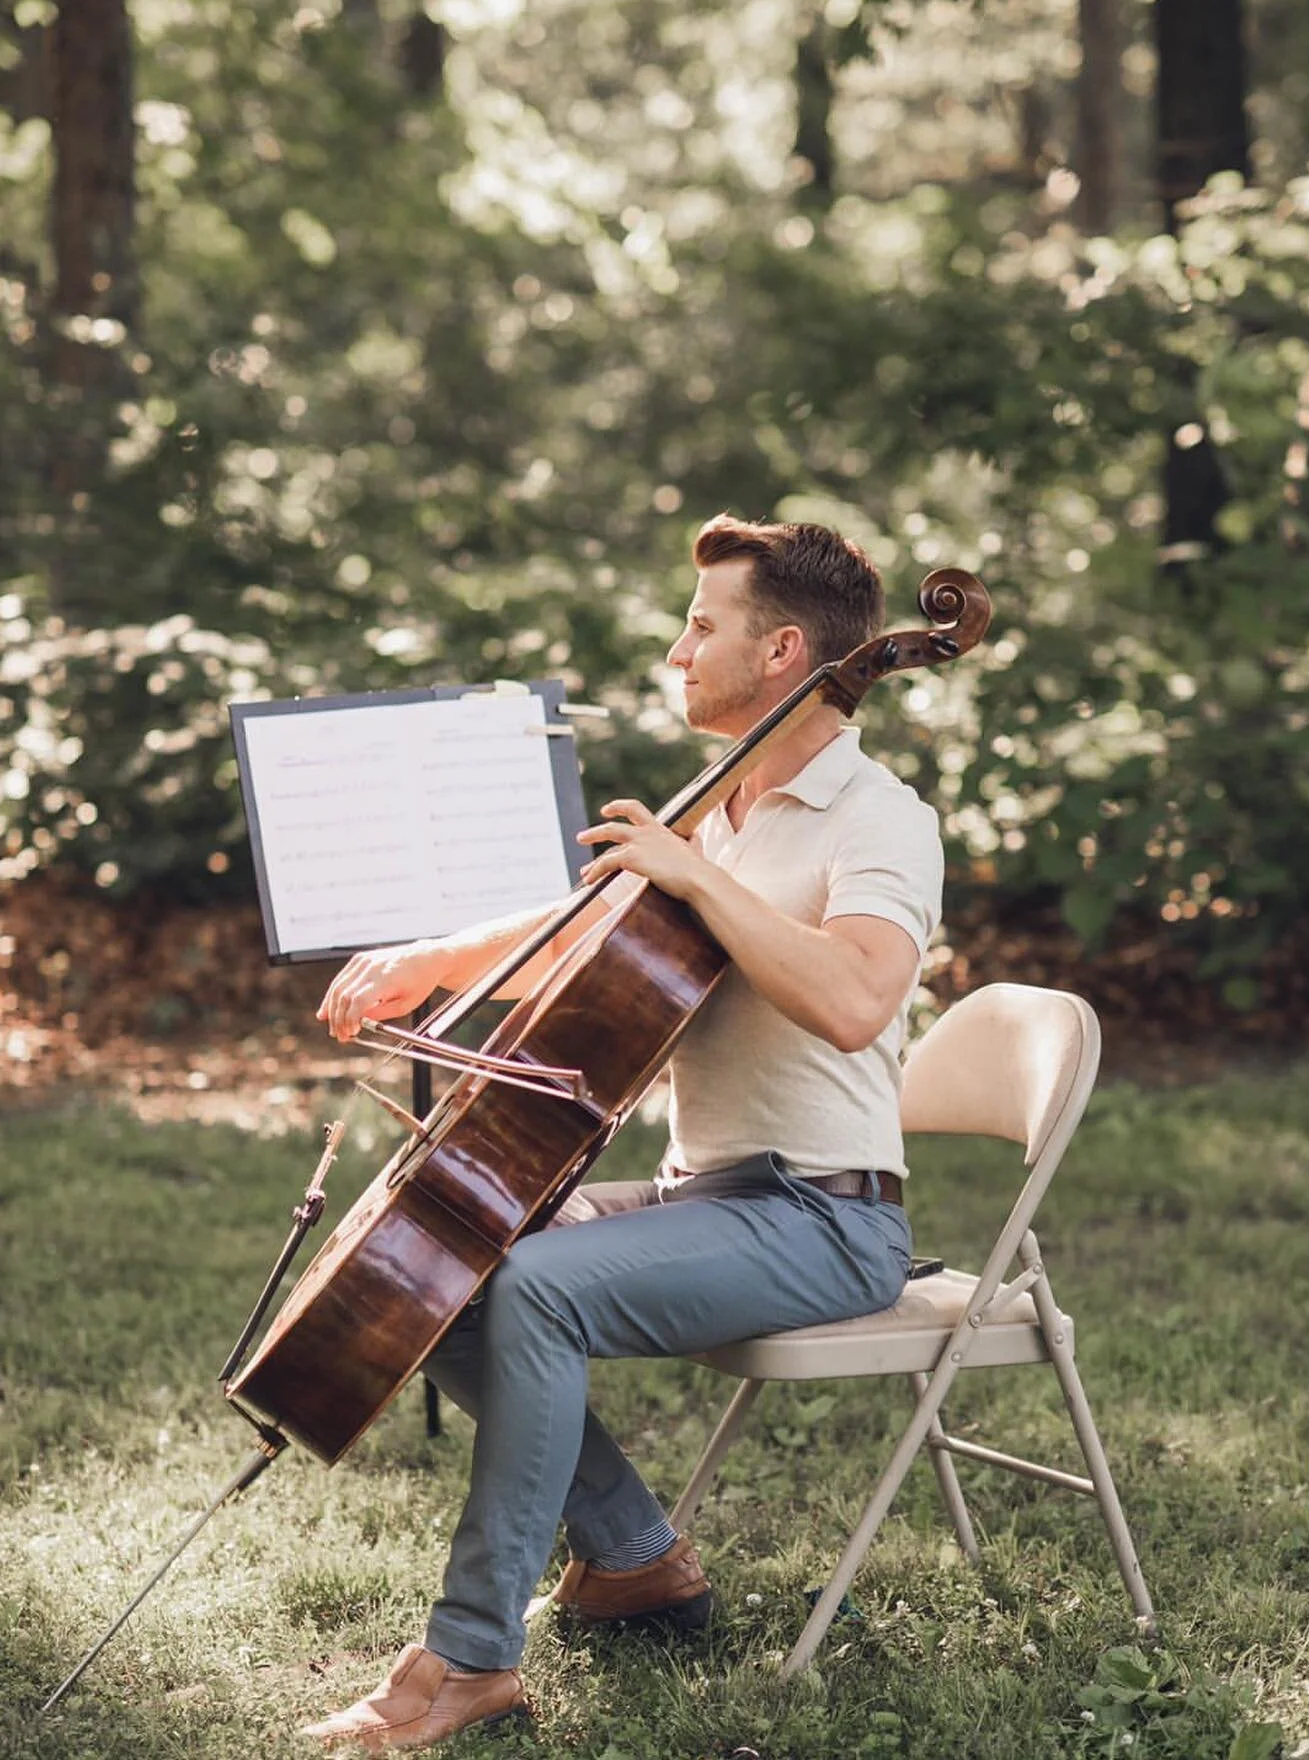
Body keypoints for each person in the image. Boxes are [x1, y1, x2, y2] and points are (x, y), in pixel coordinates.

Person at [303, 513, 944, 1752]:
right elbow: (592, 913)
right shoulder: (726, 807)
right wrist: (427, 965)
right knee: (449, 1257)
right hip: (709, 1194)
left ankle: (467, 1659)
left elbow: (860, 1001)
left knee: (535, 1286)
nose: (675, 650)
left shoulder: (877, 815)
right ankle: (636, 1555)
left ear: (785, 650)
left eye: (702, 625)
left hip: (827, 1217)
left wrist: (699, 878)